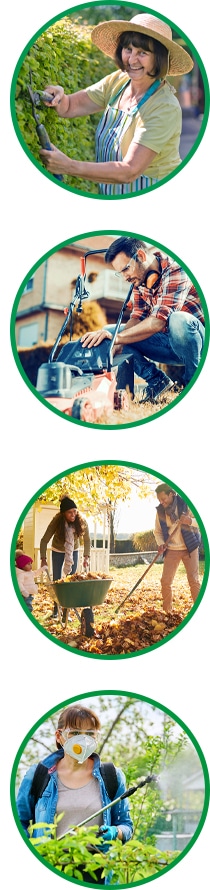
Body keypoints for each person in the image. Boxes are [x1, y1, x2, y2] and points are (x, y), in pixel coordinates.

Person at [40, 13, 193, 195]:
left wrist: (69, 166)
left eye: (143, 53)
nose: (132, 60)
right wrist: (58, 95)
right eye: (128, 49)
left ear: (158, 58)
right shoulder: (118, 81)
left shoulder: (164, 106)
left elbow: (129, 171)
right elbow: (70, 106)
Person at [16, 704, 133, 884]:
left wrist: (115, 832)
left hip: (97, 872)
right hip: (51, 865)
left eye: (90, 733)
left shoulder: (112, 776)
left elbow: (126, 826)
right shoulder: (38, 775)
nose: (83, 740)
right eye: (75, 733)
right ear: (59, 736)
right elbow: (19, 822)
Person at [80, 237, 205, 400]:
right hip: (166, 344)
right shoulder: (139, 282)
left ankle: (192, 381)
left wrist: (117, 338)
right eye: (120, 273)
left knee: (178, 320)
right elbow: (137, 317)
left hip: (196, 344)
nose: (125, 277)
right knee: (109, 332)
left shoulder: (177, 269)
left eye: (126, 269)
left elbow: (159, 321)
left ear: (141, 255)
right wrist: (118, 341)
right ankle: (158, 381)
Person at [40, 496, 90, 619]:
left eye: (74, 511)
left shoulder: (81, 521)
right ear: (63, 514)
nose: (73, 514)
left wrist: (86, 557)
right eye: (69, 512)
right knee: (57, 579)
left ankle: (66, 611)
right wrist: (43, 559)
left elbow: (87, 540)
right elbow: (44, 540)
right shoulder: (57, 521)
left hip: (73, 550)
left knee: (70, 580)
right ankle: (56, 608)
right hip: (58, 550)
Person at [154, 483, 201, 612]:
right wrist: (161, 543)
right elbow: (157, 531)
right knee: (165, 581)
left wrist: (190, 521)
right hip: (172, 549)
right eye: (159, 500)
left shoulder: (186, 503)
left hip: (190, 547)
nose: (162, 502)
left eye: (163, 499)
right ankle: (167, 612)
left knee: (194, 580)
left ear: (171, 494)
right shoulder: (160, 511)